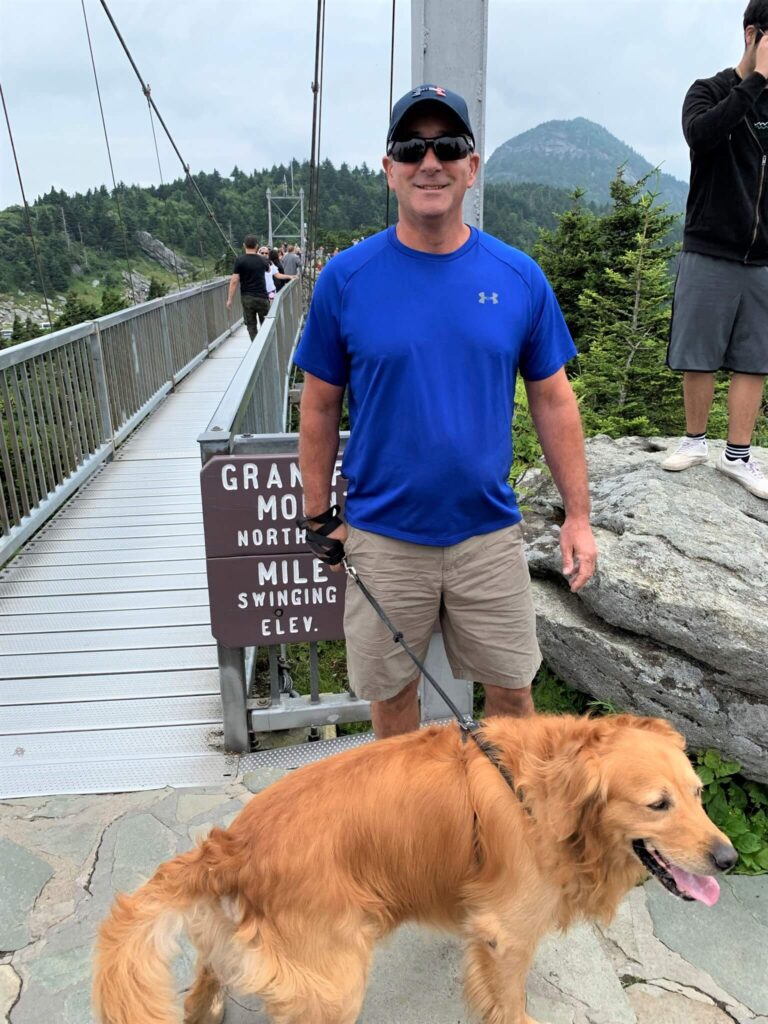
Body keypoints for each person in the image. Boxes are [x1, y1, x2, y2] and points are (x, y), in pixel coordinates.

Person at [294, 84, 597, 739]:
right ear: (389, 168)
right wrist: (319, 515)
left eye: (447, 146)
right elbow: (318, 406)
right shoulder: (346, 280)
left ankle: (500, 834)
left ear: (471, 166)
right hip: (382, 537)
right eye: (411, 147)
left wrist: (579, 516)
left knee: (514, 705)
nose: (429, 161)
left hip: (486, 535)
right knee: (392, 709)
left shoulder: (518, 277)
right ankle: (412, 840)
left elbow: (553, 398)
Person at [662, 1, 768, 499]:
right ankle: (693, 440)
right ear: (752, 34)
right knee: (698, 349)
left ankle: (739, 455)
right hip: (710, 243)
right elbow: (701, 137)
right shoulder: (709, 91)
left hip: (764, 255)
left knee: (755, 356)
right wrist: (755, 82)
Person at [226, 235, 270, 340]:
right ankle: (266, 344)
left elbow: (234, 281)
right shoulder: (262, 260)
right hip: (262, 296)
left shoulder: (239, 260)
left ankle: (255, 346)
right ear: (257, 246)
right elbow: (268, 270)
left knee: (251, 324)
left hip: (247, 297)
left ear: (244, 245)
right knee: (266, 322)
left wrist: (229, 299)